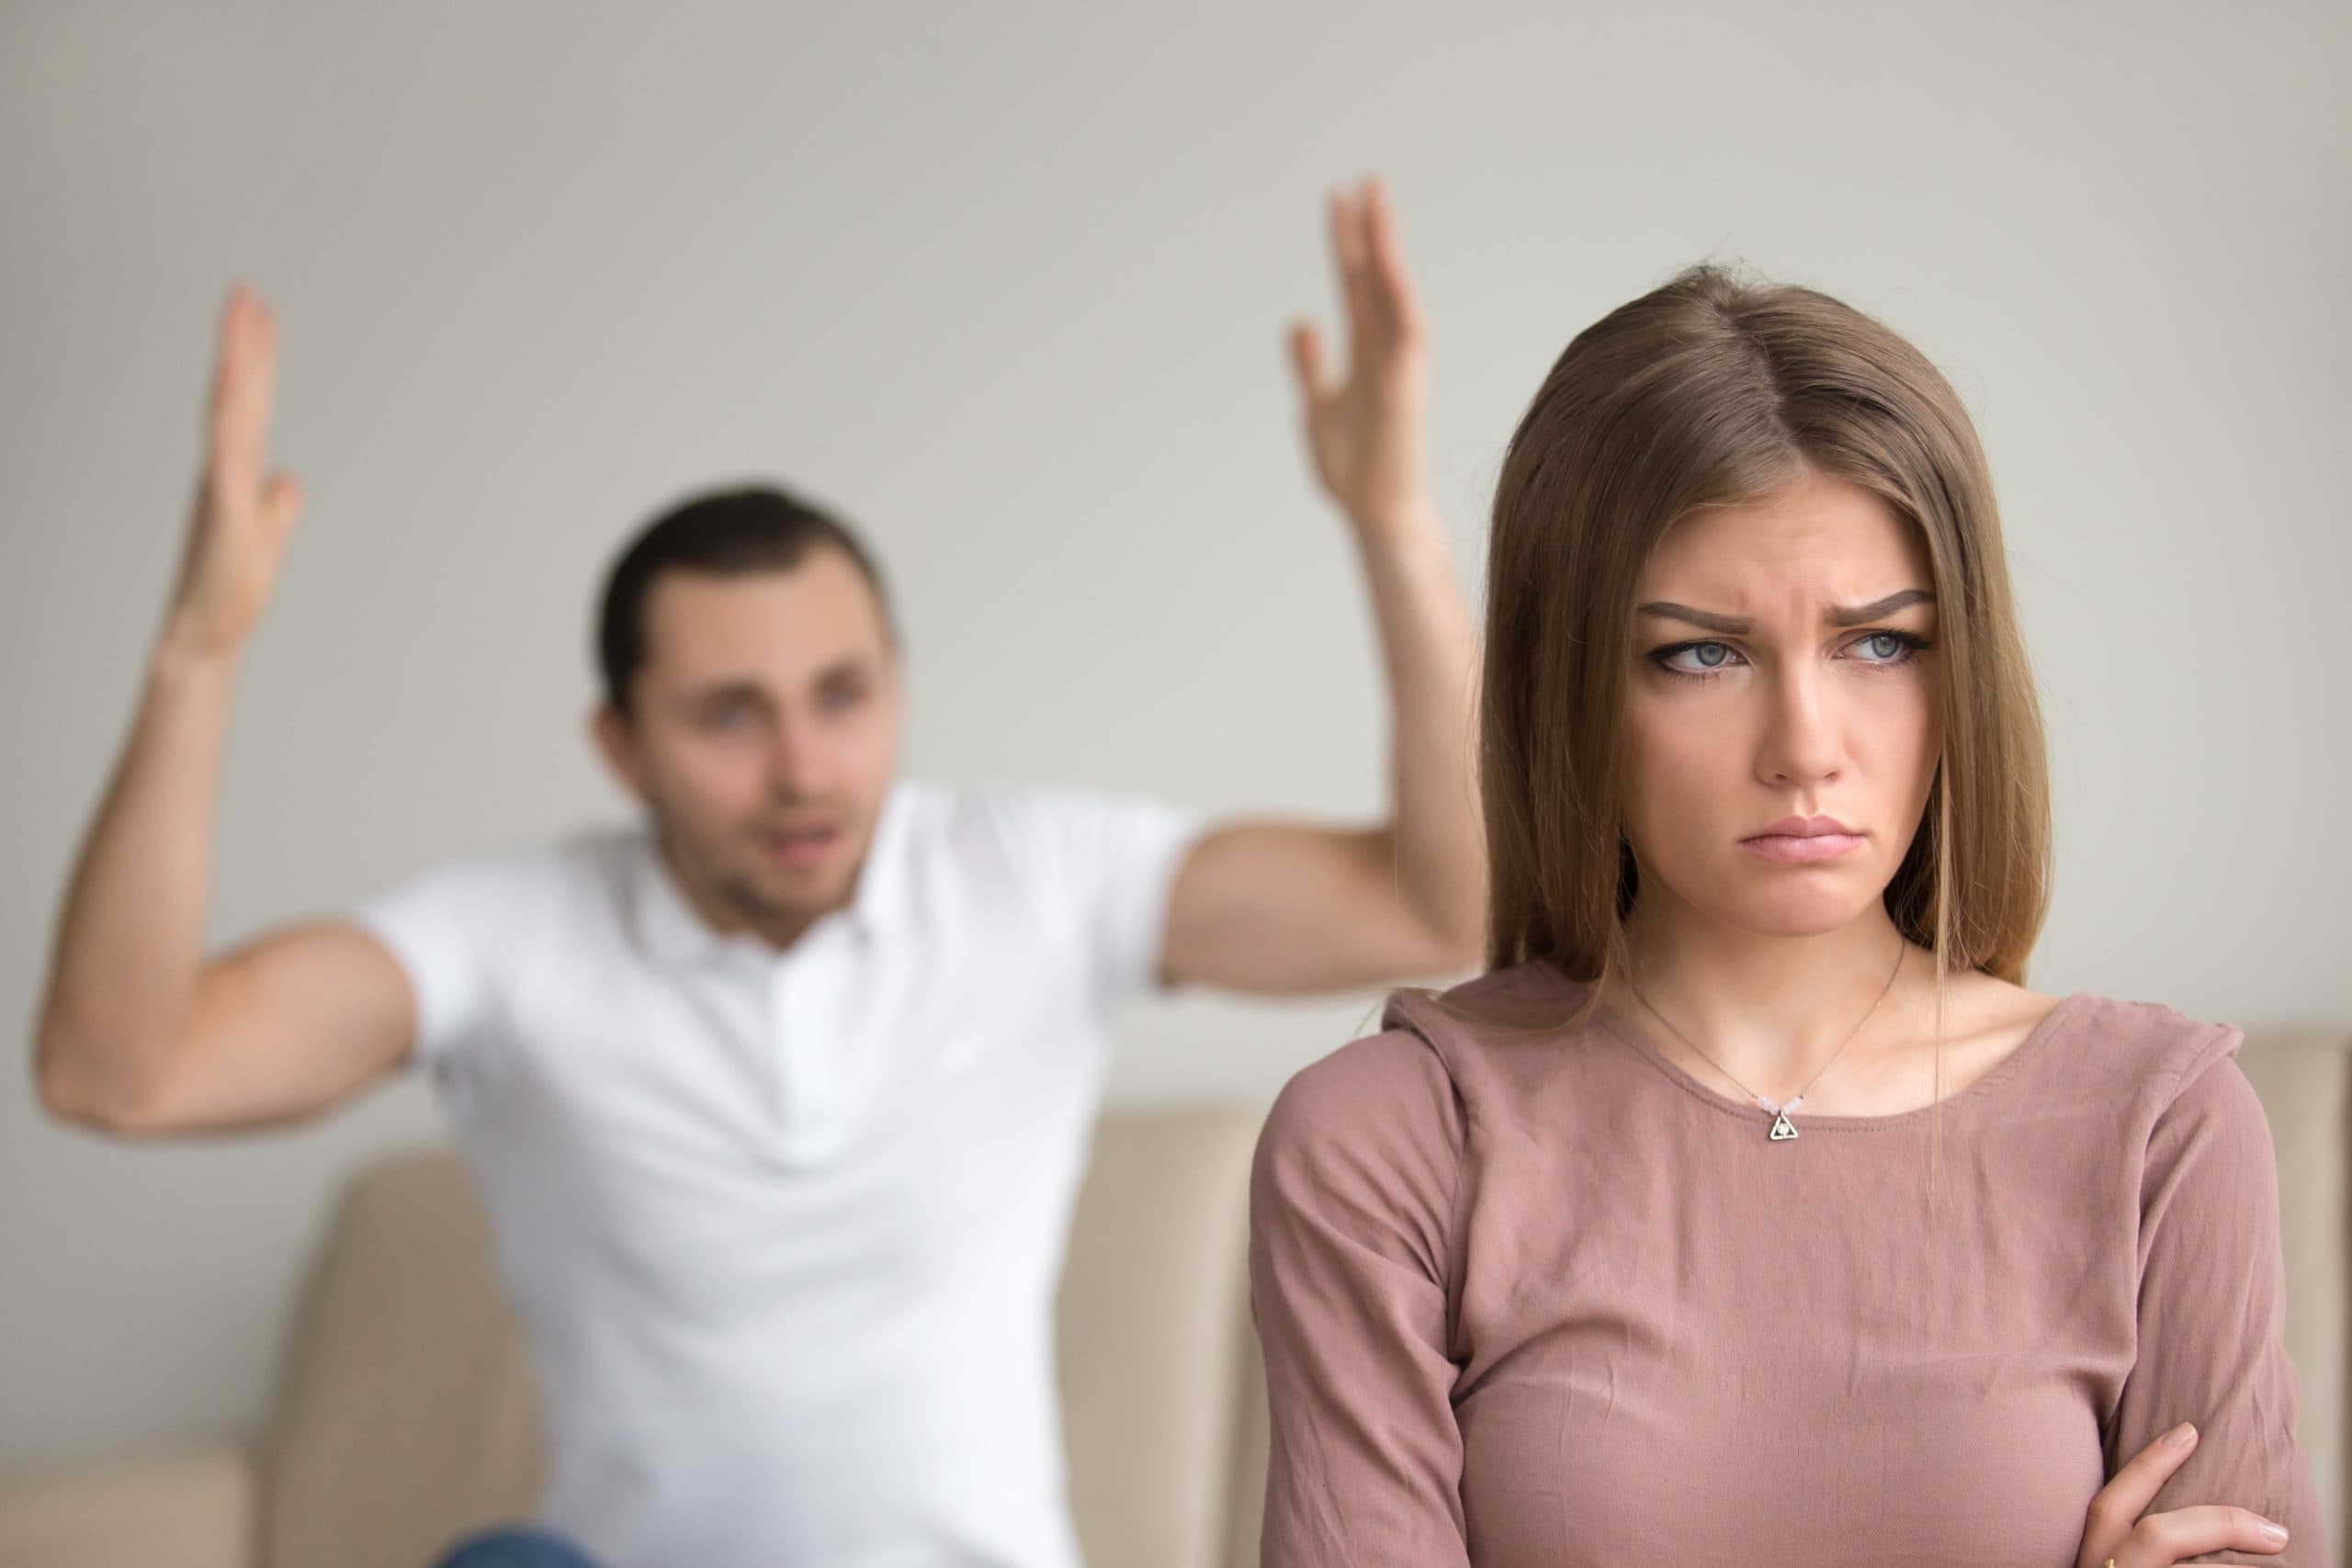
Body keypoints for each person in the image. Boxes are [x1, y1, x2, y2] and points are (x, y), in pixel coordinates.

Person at [34, 177, 1485, 1568]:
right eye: (731, 716)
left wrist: (1393, 525)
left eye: (842, 696)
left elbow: (1447, 902)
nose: (803, 767)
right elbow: (121, 1070)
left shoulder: (1036, 878)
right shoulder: (508, 941)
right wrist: (197, 653)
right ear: (622, 746)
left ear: (897, 690)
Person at [1247, 263, 2326, 1566]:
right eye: (1701, 653)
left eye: (1880, 643)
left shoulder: (2163, 1133)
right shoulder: (1392, 1145)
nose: (1805, 746)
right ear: (1569, 686)